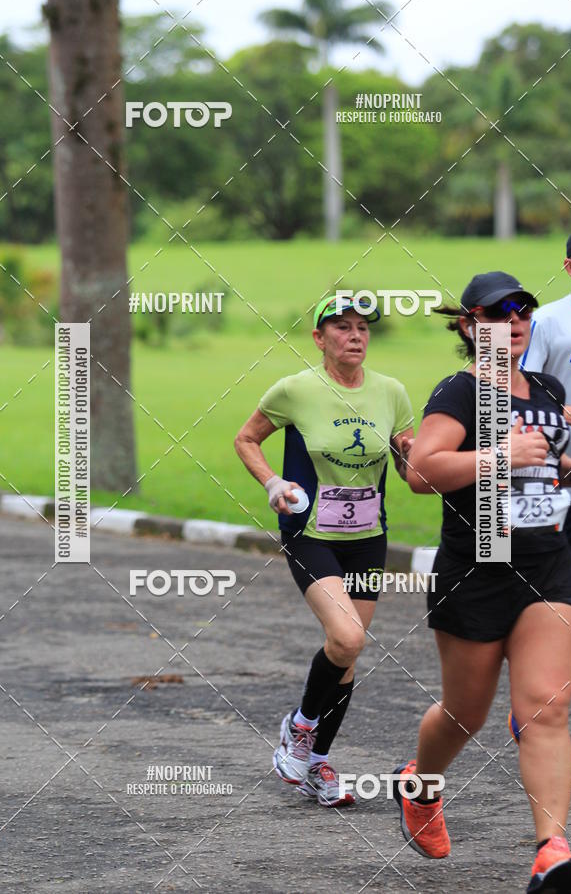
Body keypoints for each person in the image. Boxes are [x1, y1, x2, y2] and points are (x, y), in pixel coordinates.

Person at [395, 271, 571, 892]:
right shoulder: (459, 391)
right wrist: (501, 456)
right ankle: (420, 786)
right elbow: (422, 471)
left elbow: (546, 464)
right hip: (477, 567)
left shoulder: (547, 389)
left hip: (546, 563)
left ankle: (553, 852)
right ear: (470, 326)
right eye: (499, 313)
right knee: (465, 714)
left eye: (523, 309)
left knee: (546, 708)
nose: (516, 320)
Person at [234, 293, 413, 807]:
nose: (355, 336)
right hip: (310, 534)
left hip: (368, 539)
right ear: (319, 338)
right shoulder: (296, 390)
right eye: (342, 327)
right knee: (348, 637)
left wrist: (416, 457)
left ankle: (317, 763)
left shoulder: (392, 392)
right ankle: (300, 725)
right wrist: (272, 483)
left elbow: (409, 463)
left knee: (347, 654)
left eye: (363, 328)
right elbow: (246, 439)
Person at [520, 223, 571, 583]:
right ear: (570, 266)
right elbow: (520, 395)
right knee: (556, 589)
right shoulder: (546, 321)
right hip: (561, 488)